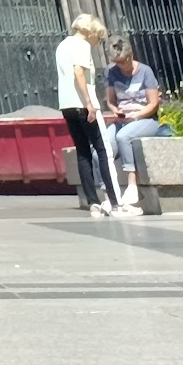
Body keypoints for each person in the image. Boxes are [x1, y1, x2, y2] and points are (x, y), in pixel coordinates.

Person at [53, 12, 119, 218]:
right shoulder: (81, 46)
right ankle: (115, 202)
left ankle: (93, 202)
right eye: (97, 38)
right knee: (103, 150)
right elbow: (78, 73)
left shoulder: (62, 45)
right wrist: (89, 103)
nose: (96, 42)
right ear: (90, 32)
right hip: (83, 104)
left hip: (66, 105)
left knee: (82, 152)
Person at [101, 42, 168, 209]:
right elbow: (110, 101)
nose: (121, 66)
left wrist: (136, 115)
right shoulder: (111, 72)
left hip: (145, 118)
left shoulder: (145, 71)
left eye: (123, 61)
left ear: (131, 56)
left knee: (123, 137)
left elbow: (153, 104)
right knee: (103, 147)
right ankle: (108, 194)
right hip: (123, 118)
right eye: (117, 63)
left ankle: (132, 185)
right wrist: (116, 111)